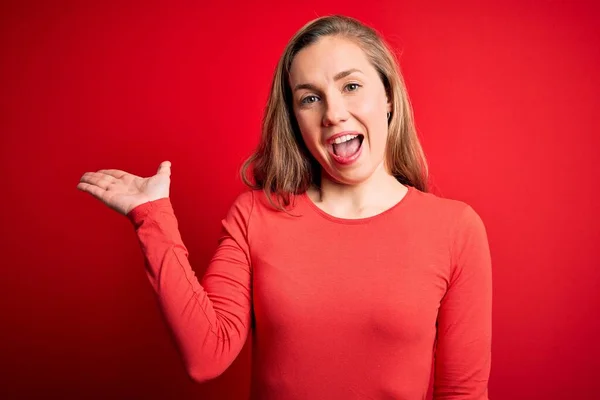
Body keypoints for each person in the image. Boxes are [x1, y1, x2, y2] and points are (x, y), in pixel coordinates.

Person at [76, 14, 492, 399]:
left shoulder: (454, 229)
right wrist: (152, 217)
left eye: (351, 86)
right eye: (310, 98)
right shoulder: (255, 216)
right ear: (294, 118)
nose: (333, 113)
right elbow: (207, 355)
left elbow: (463, 394)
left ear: (387, 96)